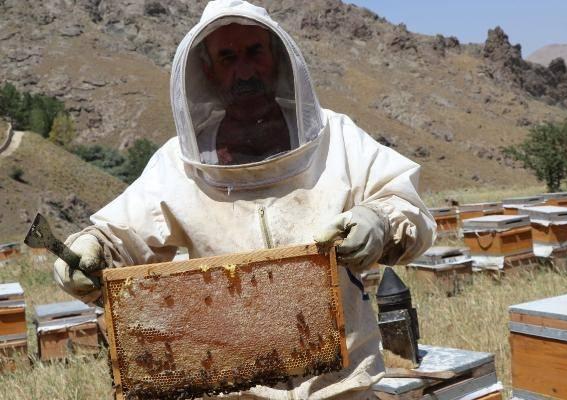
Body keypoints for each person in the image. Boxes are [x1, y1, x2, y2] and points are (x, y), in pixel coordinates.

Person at [53, 1, 436, 399]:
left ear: (277, 58)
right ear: (208, 70)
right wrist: (89, 251)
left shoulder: (335, 138)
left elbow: (408, 207)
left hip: (342, 387)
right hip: (236, 389)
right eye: (228, 57)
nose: (245, 71)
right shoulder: (178, 165)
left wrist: (379, 220)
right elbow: (120, 241)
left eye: (255, 52)